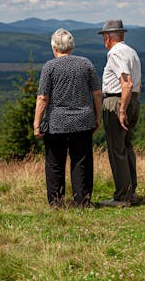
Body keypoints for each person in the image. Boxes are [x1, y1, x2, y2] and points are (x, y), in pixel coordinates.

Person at [34, 28, 102, 208]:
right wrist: (97, 117)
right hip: (83, 120)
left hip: (56, 123)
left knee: (55, 163)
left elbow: (42, 98)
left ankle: (56, 203)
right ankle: (83, 201)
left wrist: (36, 124)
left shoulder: (49, 67)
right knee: (81, 162)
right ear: (71, 46)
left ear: (54, 47)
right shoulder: (86, 64)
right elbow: (96, 93)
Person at [98, 19, 141, 207]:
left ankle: (122, 196)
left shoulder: (115, 53)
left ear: (108, 37)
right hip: (134, 100)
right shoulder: (132, 52)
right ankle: (131, 192)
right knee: (127, 147)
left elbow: (127, 82)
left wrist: (121, 109)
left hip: (117, 101)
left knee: (117, 150)